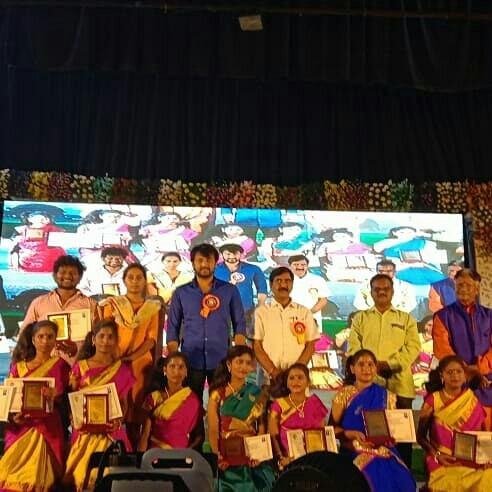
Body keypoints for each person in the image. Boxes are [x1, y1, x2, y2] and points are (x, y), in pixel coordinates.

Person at [347, 273, 421, 467]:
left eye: (386, 288)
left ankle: (403, 476)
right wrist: (369, 366)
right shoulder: (361, 318)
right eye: (377, 289)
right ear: (370, 292)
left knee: (401, 437)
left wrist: (389, 364)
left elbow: (413, 348)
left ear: (392, 291)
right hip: (367, 385)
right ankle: (370, 476)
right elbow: (353, 348)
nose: (381, 292)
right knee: (368, 434)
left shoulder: (406, 319)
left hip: (399, 386)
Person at [166, 243, 246, 401]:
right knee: (190, 405)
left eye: (208, 260)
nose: (204, 264)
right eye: (200, 260)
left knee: (222, 404)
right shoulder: (181, 292)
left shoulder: (229, 290)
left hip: (221, 359)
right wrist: (174, 356)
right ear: (193, 263)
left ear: (215, 263)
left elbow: (239, 322)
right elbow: (173, 326)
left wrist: (238, 354)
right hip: (190, 359)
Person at [329, 349, 416, 492]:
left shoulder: (387, 396)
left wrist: (392, 438)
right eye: (361, 364)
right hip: (353, 449)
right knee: (373, 473)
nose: (366, 368)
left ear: (376, 368)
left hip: (382, 449)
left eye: (370, 364)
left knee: (402, 479)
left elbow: (392, 428)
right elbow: (331, 429)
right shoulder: (344, 395)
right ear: (352, 368)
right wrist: (351, 434)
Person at [63, 319, 135, 491]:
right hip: (84, 432)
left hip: (111, 432)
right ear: (93, 340)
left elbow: (124, 403)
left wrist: (119, 421)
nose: (105, 341)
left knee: (112, 481)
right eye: (101, 336)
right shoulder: (80, 368)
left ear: (116, 341)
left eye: (110, 337)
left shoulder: (123, 370)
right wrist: (74, 418)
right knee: (82, 479)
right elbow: (72, 400)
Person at [0, 320, 70, 491]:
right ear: (33, 340)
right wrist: (14, 417)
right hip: (22, 426)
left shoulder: (61, 366)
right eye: (41, 336)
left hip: (48, 427)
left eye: (50, 337)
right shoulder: (18, 368)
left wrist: (57, 395)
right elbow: (10, 400)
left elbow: (70, 399)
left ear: (55, 340)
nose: (45, 341)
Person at [99, 263, 162, 448]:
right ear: (124, 280)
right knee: (114, 409)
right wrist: (116, 359)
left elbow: (151, 340)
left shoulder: (152, 308)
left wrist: (130, 359)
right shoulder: (112, 305)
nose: (135, 281)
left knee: (136, 413)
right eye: (131, 277)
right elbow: (105, 334)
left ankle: (135, 454)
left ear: (144, 281)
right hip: (113, 363)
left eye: (139, 277)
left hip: (140, 365)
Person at [417, 355, 492, 492]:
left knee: (488, 476)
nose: (455, 376)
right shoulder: (433, 400)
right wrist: (437, 455)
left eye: (459, 372)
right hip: (441, 459)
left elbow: (481, 437)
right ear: (442, 375)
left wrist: (486, 459)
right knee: (452, 482)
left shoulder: (472, 400)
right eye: (450, 372)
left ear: (465, 376)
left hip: (469, 460)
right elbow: (420, 437)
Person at [207, 345, 275, 492]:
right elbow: (213, 429)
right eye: (239, 362)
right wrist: (217, 455)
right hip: (225, 457)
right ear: (229, 364)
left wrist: (258, 456)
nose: (244, 367)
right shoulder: (217, 394)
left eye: (248, 363)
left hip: (250, 456)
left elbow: (261, 428)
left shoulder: (256, 393)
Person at [432, 268, 492, 430]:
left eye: (468, 285)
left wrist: (479, 368)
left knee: (488, 438)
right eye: (459, 285)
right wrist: (465, 371)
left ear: (477, 289)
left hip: (486, 385)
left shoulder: (489, 316)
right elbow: (442, 350)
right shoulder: (442, 316)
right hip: (457, 386)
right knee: (460, 439)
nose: (463, 289)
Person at [21, 255, 100, 363]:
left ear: (80, 276)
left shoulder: (91, 305)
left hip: (78, 366)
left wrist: (77, 348)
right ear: (54, 275)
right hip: (44, 366)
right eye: (63, 272)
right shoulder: (39, 303)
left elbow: (99, 338)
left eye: (73, 273)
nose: (67, 276)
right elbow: (24, 335)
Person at [254, 267, 319, 386]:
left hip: (297, 380)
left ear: (292, 284)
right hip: (269, 379)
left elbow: (310, 345)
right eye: (278, 281)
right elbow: (257, 346)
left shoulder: (304, 312)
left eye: (287, 281)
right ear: (271, 284)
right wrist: (273, 372)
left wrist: (295, 372)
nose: (283, 285)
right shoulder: (261, 312)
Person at [138, 352, 204, 451]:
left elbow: (199, 436)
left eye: (181, 367)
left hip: (181, 454)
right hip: (155, 454)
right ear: (165, 370)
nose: (176, 371)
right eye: (172, 366)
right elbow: (145, 434)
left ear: (186, 372)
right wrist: (141, 457)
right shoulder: (154, 397)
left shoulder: (193, 399)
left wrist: (186, 454)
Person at [269, 363, 329, 470]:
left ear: (308, 382)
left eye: (300, 378)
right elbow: (273, 436)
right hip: (288, 462)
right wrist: (281, 458)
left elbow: (322, 434)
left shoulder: (315, 404)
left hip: (314, 461)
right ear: (287, 383)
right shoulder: (279, 405)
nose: (295, 381)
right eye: (291, 378)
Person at [215, 243, 268, 338]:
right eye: (228, 254)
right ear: (222, 254)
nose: (231, 257)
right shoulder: (213, 270)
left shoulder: (253, 269)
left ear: (241, 254)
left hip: (246, 312)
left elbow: (262, 289)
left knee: (249, 340)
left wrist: (260, 306)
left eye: (235, 253)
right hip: (220, 313)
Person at [373, 226, 445, 285]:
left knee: (439, 278)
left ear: (414, 234)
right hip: (403, 270)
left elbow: (431, 255)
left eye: (410, 232)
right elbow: (377, 247)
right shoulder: (389, 243)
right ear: (394, 233)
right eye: (402, 232)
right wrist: (401, 240)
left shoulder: (420, 242)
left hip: (423, 267)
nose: (406, 234)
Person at [353, 260, 417, 313]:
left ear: (395, 272)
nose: (384, 274)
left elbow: (410, 304)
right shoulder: (365, 285)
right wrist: (372, 313)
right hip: (371, 317)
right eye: (381, 271)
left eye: (388, 271)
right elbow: (358, 303)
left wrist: (392, 314)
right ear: (376, 271)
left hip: (397, 319)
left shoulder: (406, 287)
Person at [288, 254, 329, 332]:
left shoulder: (318, 280)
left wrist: (309, 313)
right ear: (290, 266)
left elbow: (323, 300)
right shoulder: (283, 280)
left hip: (312, 319)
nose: (299, 267)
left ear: (307, 266)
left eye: (303, 264)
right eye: (296, 264)